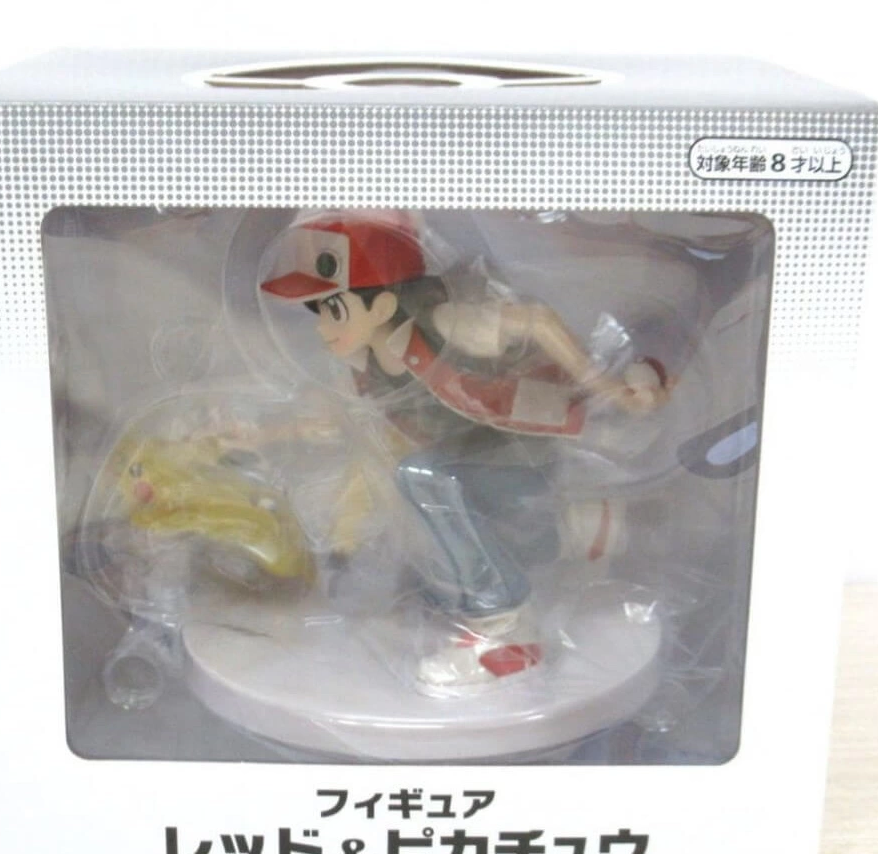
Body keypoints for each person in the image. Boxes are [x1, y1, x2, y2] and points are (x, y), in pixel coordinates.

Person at [261, 211, 669, 694]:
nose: (323, 327)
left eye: (334, 309)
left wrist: (609, 389)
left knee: (424, 478)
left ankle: (506, 630)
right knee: (428, 513)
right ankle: (580, 526)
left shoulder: (445, 322)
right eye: (319, 312)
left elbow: (535, 321)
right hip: (474, 463)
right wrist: (264, 434)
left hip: (520, 454)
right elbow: (344, 421)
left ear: (383, 302)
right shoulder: (363, 358)